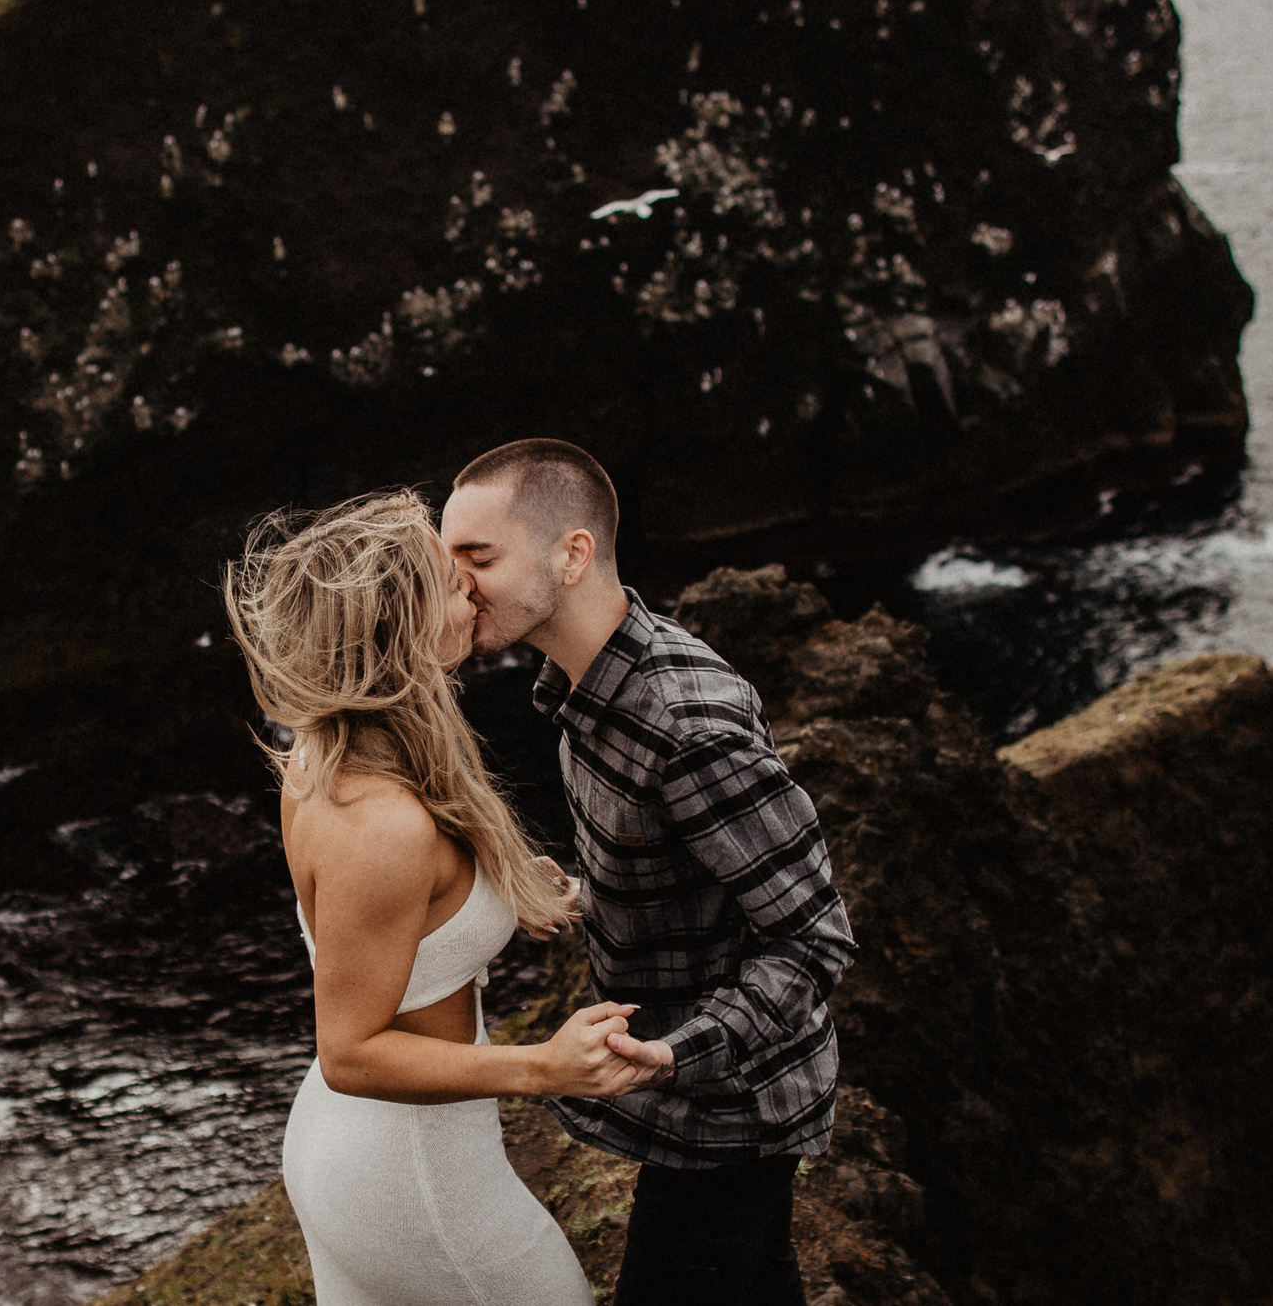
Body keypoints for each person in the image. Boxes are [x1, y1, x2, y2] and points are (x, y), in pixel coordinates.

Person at [440, 439, 857, 1306]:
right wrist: (582, 896)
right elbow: (697, 872)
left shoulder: (682, 726)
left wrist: (671, 1053)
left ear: (573, 552)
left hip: (734, 1104)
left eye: (477, 557)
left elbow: (814, 940)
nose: (455, 584)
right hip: (700, 1096)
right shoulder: (580, 690)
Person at [223, 489, 657, 1306]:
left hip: (352, 1150)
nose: (472, 588)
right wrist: (546, 1066)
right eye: (450, 581)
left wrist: (506, 889)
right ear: (406, 628)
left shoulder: (329, 748)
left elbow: (403, 917)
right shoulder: (380, 824)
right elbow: (351, 1049)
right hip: (414, 1179)